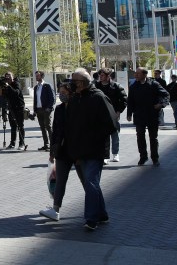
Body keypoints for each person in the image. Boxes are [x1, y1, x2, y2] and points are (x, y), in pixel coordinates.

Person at [65, 68, 117, 230]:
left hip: (95, 149)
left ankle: (91, 219)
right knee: (91, 183)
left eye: (75, 82)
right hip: (79, 149)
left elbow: (112, 124)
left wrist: (93, 137)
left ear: (84, 82)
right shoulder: (75, 99)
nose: (72, 85)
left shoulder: (99, 97)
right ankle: (102, 214)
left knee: (90, 182)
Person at [39, 82, 75, 221]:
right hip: (62, 150)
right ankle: (55, 209)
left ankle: (98, 209)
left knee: (87, 181)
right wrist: (53, 151)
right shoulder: (59, 109)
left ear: (71, 93)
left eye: (64, 92)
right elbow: (55, 131)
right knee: (60, 180)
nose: (61, 95)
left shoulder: (78, 106)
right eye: (60, 92)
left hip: (76, 150)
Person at [126, 67, 169, 166]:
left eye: (138, 73)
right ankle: (143, 157)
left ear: (145, 75)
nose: (135, 75)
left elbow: (166, 94)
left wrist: (161, 104)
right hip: (139, 115)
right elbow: (130, 101)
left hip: (152, 115)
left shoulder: (153, 84)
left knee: (153, 138)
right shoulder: (133, 87)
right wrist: (129, 114)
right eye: (135, 74)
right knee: (140, 136)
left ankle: (155, 158)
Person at [93, 68, 126, 163]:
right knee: (104, 136)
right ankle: (105, 156)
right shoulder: (96, 86)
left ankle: (115, 154)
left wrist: (119, 111)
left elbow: (124, 100)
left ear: (108, 76)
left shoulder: (116, 86)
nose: (101, 77)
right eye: (100, 75)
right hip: (100, 115)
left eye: (102, 75)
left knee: (115, 135)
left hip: (113, 114)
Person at [1, 73, 26, 150]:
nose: (8, 79)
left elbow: (16, 93)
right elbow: (3, 96)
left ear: (12, 77)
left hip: (19, 108)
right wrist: (1, 87)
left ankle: (21, 144)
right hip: (11, 108)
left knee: (20, 126)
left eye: (9, 77)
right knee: (13, 127)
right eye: (6, 78)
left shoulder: (16, 84)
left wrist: (8, 86)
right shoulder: (6, 85)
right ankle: (12, 143)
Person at [32, 71, 56, 152]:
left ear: (42, 76)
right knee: (42, 128)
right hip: (39, 110)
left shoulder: (47, 86)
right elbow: (35, 99)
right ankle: (46, 144)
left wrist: (49, 108)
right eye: (36, 76)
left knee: (48, 127)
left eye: (38, 76)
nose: (36, 77)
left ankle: (53, 145)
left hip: (46, 109)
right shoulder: (36, 87)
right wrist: (35, 110)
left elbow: (52, 98)